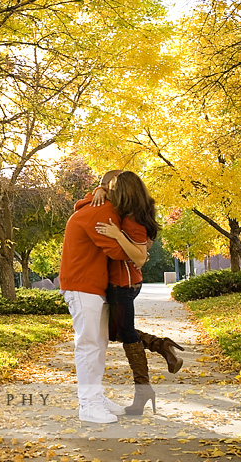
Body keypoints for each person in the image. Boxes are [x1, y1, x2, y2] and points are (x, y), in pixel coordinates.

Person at [93, 170, 185, 415]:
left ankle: (144, 388)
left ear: (125, 191)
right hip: (125, 284)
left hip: (122, 285)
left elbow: (140, 257)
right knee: (118, 332)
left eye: (112, 187)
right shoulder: (133, 213)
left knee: (125, 335)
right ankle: (162, 348)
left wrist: (117, 235)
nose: (109, 190)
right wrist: (98, 190)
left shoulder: (132, 220)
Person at [59, 170, 133, 424]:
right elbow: (118, 252)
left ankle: (96, 397)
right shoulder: (102, 209)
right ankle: (88, 404)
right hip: (83, 285)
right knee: (89, 345)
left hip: (91, 285)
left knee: (98, 344)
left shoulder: (99, 203)